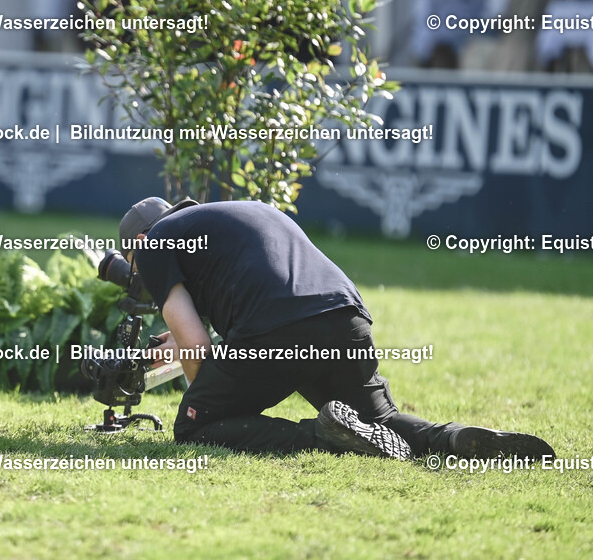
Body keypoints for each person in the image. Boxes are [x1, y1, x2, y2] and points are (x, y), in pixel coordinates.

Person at [120, 197, 555, 460]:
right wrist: (182, 343)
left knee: (194, 428)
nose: (140, 275)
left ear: (139, 243)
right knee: (379, 420)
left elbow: (199, 349)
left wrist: (201, 399)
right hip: (344, 316)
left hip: (280, 329)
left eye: (134, 266)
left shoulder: (155, 242)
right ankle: (453, 438)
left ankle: (321, 435)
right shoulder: (236, 213)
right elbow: (250, 296)